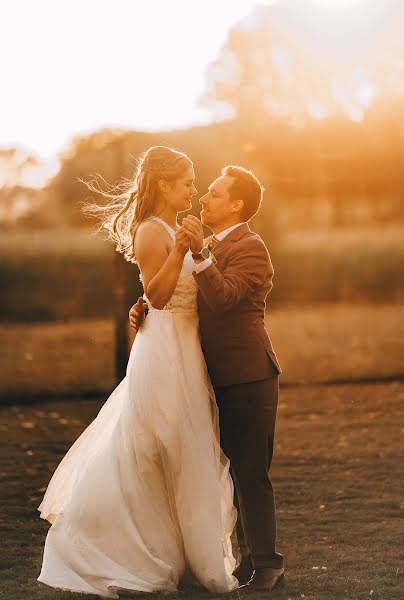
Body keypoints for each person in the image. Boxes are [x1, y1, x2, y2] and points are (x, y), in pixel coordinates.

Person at [37, 146, 239, 598]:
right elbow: (160, 294)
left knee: (188, 453)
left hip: (187, 348)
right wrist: (183, 249)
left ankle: (193, 558)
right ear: (164, 185)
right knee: (158, 448)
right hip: (164, 353)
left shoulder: (177, 227)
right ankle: (124, 548)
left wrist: (193, 247)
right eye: (186, 182)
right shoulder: (152, 231)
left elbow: (174, 292)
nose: (192, 188)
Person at [130, 165, 284, 591]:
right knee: (228, 471)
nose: (203, 199)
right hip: (208, 375)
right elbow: (179, 293)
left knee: (251, 471)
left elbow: (222, 298)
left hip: (248, 375)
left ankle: (268, 565)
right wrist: (143, 304)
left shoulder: (251, 247)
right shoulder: (210, 245)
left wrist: (197, 254)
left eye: (214, 194)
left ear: (236, 204)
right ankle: (248, 563)